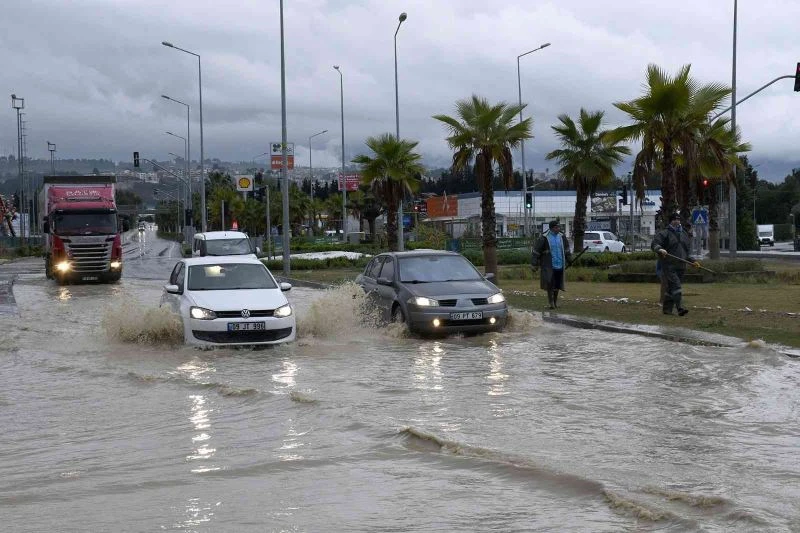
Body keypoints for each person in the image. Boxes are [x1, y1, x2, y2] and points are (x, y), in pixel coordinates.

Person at [651, 213, 702, 316]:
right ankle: (680, 308)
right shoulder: (664, 233)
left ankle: (667, 310)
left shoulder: (684, 234)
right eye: (674, 219)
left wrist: (693, 261)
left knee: (671, 288)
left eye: (678, 220)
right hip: (669, 265)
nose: (677, 221)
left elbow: (686, 252)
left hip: (681, 265)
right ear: (670, 221)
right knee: (676, 285)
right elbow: (654, 244)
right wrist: (660, 249)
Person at [532, 220, 572, 309]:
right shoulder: (544, 237)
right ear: (552, 228)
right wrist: (534, 264)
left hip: (560, 264)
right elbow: (536, 251)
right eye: (557, 227)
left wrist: (569, 258)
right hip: (549, 265)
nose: (559, 229)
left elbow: (566, 249)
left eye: (559, 227)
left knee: (557, 285)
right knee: (550, 284)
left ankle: (555, 302)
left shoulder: (562, 237)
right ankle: (551, 303)